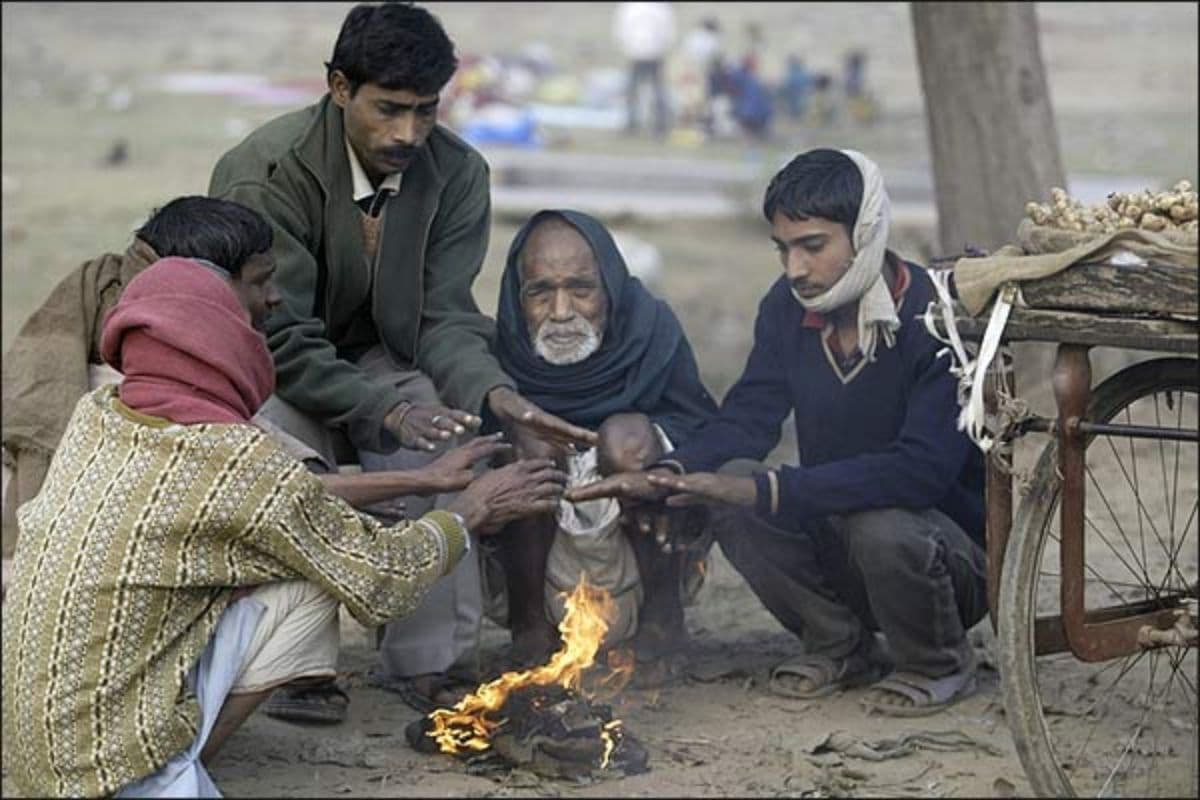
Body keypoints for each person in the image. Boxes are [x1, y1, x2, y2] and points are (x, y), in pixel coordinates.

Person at [0, 242, 567, 798]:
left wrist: (427, 480)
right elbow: (380, 578)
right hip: (113, 778)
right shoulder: (232, 459)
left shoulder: (97, 418)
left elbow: (278, 505)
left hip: (35, 767)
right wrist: (469, 512)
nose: (269, 303)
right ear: (220, 341)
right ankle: (176, 773)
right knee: (313, 581)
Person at [208, 2, 596, 714]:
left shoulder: (457, 172)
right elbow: (277, 335)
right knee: (283, 463)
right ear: (339, 88)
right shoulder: (264, 174)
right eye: (388, 109)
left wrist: (494, 395)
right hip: (272, 366)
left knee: (447, 438)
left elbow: (444, 317)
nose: (408, 133)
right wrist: (383, 411)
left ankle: (425, 664)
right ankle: (296, 668)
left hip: (385, 358)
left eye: (425, 111)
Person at [573, 149, 987, 716]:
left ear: (866, 232)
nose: (795, 269)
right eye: (784, 249)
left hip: (942, 561)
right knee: (729, 485)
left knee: (876, 522)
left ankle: (937, 661)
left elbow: (920, 473)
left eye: (812, 246)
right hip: (844, 541)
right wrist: (672, 473)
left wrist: (770, 489)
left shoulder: (936, 318)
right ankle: (838, 644)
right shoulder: (787, 309)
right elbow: (749, 416)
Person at [488, 210, 718, 680]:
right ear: (518, 295)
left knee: (627, 439)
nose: (561, 311)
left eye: (581, 289)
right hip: (538, 564)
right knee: (530, 441)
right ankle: (529, 628)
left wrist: (651, 469)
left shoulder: (652, 332)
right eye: (540, 292)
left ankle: (661, 620)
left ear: (610, 286)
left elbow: (702, 427)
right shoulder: (501, 350)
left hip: (638, 554)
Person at [612, 1, 676, 137]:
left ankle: (640, 123)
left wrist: (629, 47)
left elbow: (621, 30)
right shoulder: (660, 8)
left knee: (641, 90)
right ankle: (655, 124)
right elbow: (668, 32)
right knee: (650, 90)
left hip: (642, 53)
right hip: (648, 53)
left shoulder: (631, 7)